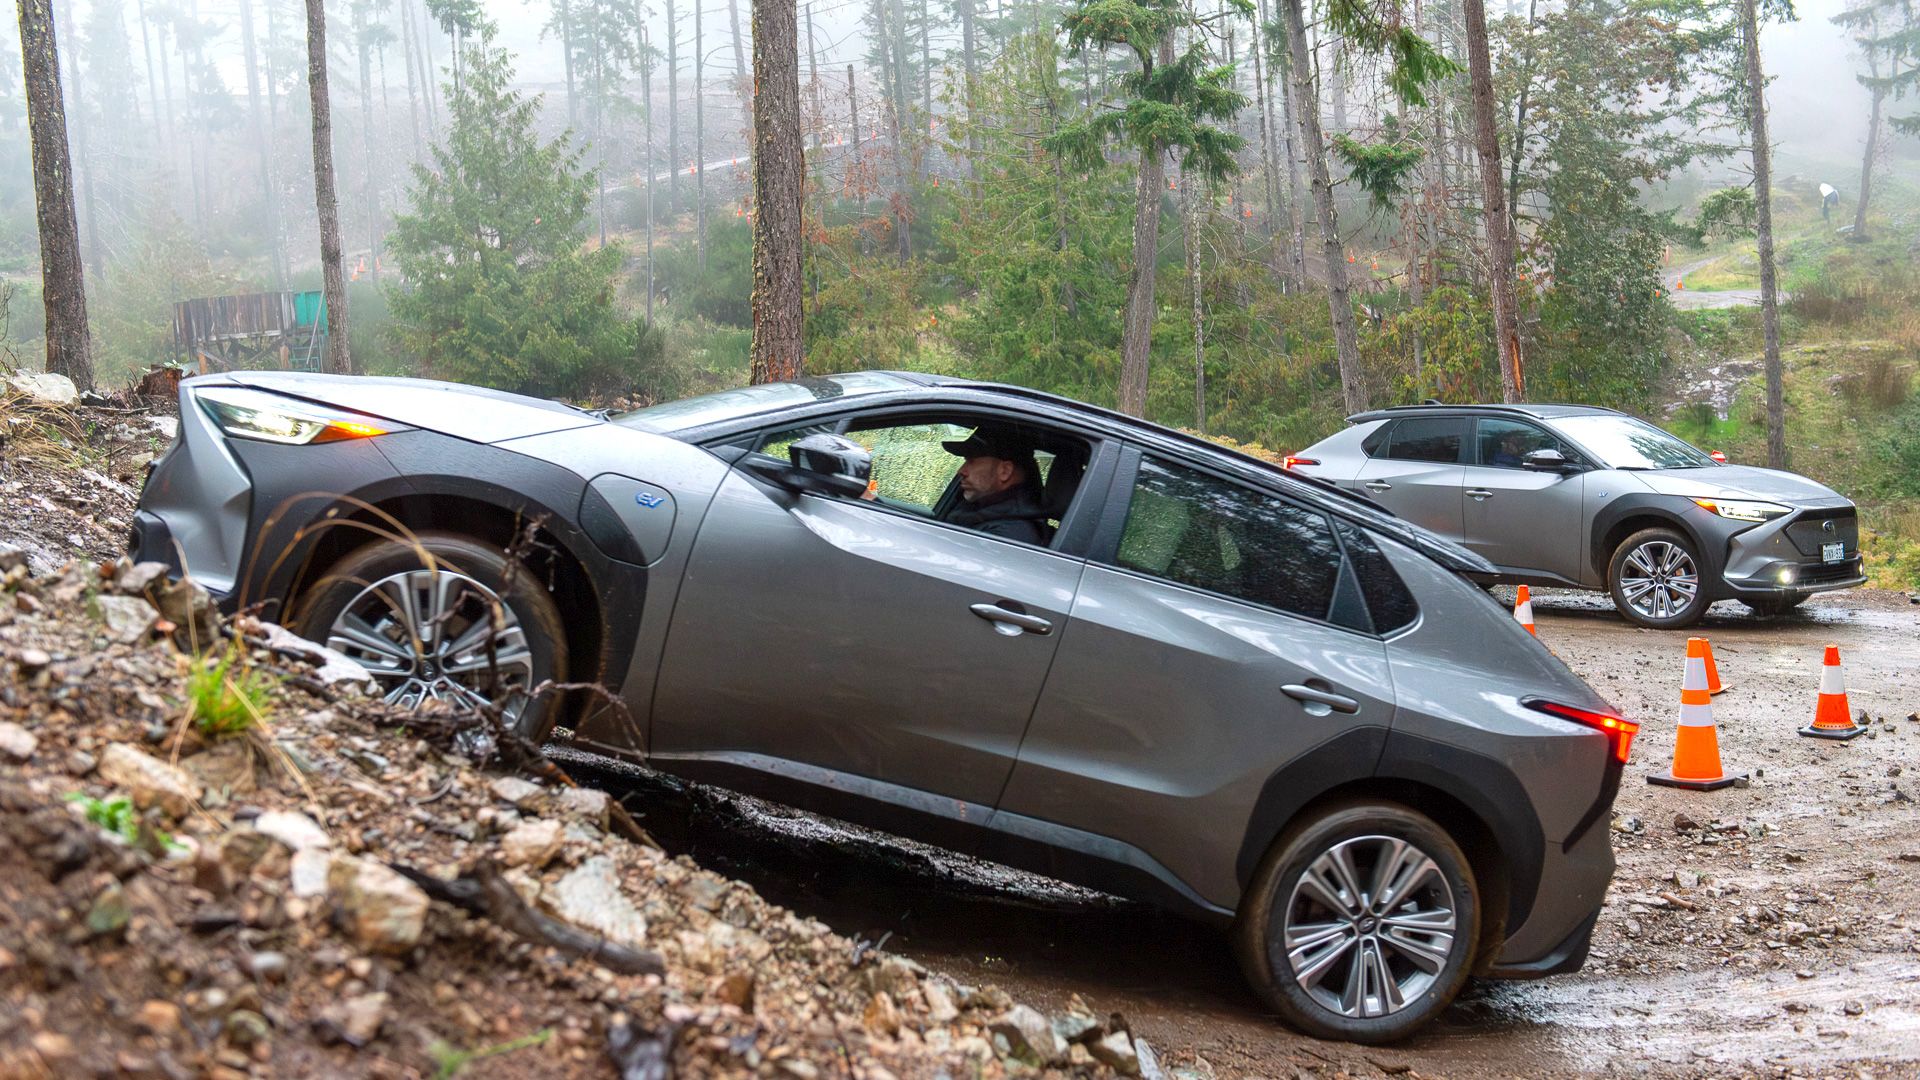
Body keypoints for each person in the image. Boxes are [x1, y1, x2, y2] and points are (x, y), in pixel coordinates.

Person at [935, 423, 1051, 545]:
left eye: (971, 461)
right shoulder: (983, 510)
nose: (961, 471)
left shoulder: (1010, 535)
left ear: (1005, 471)